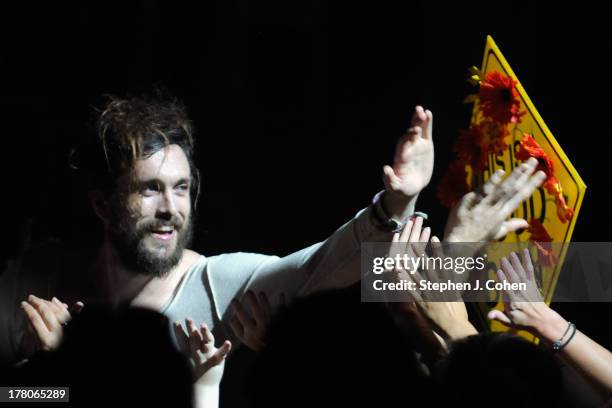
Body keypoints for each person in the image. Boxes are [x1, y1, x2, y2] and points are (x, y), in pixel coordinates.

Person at [0, 96, 437, 365]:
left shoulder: (218, 286)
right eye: (150, 190)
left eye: (181, 188)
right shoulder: (37, 281)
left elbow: (318, 266)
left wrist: (393, 205)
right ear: (102, 204)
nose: (170, 208)